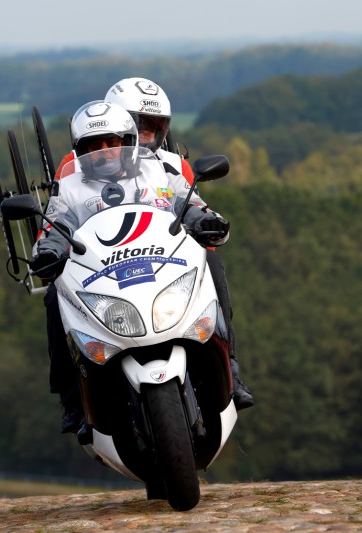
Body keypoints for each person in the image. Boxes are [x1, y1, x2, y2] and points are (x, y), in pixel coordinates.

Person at [35, 99, 250, 434]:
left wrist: (207, 219)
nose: (105, 151)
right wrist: (47, 251)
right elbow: (54, 228)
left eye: (113, 143)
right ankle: (73, 400)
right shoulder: (70, 186)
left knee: (211, 262)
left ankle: (231, 372)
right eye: (94, 146)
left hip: (162, 264)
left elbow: (188, 203)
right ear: (79, 150)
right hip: (104, 276)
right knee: (53, 297)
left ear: (130, 141)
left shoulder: (159, 171)